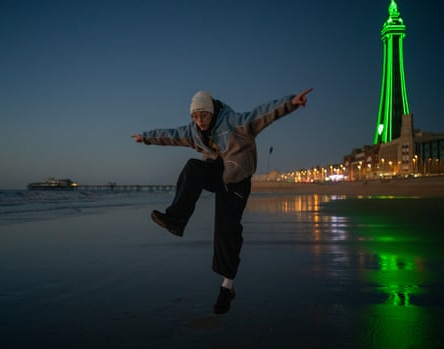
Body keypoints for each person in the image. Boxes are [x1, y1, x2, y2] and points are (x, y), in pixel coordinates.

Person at [132, 88, 313, 314]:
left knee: (227, 230)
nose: (200, 122)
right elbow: (171, 135)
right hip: (217, 172)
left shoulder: (235, 122)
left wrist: (291, 103)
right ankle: (176, 219)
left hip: (237, 180)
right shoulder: (194, 130)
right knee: (192, 168)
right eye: (195, 117)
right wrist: (147, 138)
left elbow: (263, 113)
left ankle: (227, 286)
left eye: (203, 116)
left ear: (212, 112)